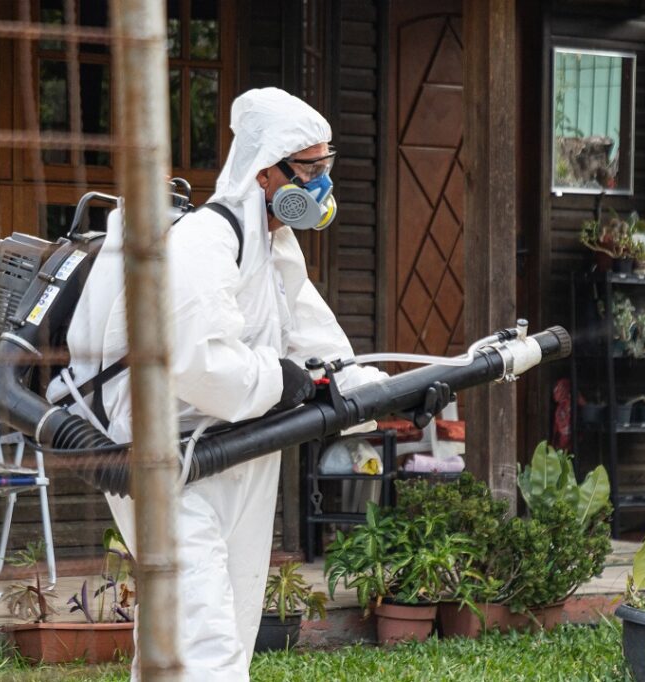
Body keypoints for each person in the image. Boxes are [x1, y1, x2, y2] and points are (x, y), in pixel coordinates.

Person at [50, 87, 393, 680]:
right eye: (309, 171)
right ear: (266, 173)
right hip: (167, 464)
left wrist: (388, 397)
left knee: (221, 629)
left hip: (239, 457)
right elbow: (196, 362)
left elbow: (325, 356)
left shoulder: (276, 251)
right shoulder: (206, 243)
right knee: (201, 645)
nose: (320, 188)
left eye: (325, 168)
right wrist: (281, 382)